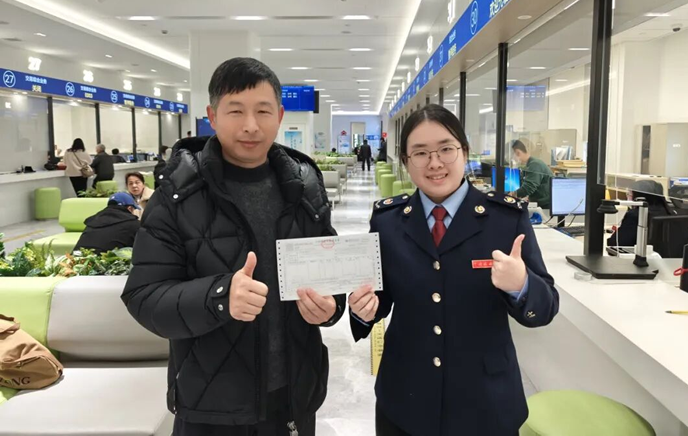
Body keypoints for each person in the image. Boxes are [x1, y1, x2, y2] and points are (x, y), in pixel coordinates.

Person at [121, 57, 346, 436]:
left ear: (280, 115)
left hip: (293, 398)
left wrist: (330, 307)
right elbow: (143, 297)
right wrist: (220, 296)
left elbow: (330, 271)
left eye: (263, 111)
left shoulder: (305, 186)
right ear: (212, 116)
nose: (251, 125)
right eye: (236, 111)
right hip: (210, 404)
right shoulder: (177, 195)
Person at [348, 105, 558, 436]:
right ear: (405, 161)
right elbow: (379, 300)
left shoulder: (505, 220)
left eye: (446, 149)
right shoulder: (388, 222)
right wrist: (362, 311)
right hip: (405, 399)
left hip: (485, 403)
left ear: (464, 152)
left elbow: (545, 308)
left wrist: (521, 284)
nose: (435, 163)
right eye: (421, 153)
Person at [608, 180, 676, 247]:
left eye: (630, 194)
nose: (628, 198)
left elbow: (615, 243)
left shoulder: (636, 215)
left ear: (639, 197)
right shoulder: (670, 212)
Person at [74, 192, 141, 253]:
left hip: (76, 259)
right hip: (106, 261)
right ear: (130, 208)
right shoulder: (133, 224)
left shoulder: (93, 221)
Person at [510, 140, 554, 209]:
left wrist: (512, 194)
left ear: (518, 153)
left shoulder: (535, 164)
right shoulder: (529, 165)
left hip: (546, 206)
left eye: (513, 156)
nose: (513, 158)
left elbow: (528, 187)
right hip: (539, 203)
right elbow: (525, 184)